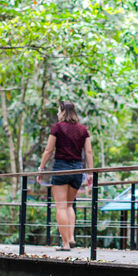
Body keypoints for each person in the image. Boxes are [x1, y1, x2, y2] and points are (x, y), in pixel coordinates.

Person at [37, 101, 94, 251]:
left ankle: (65, 244)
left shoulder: (57, 128)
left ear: (63, 112)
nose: (57, 114)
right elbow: (88, 152)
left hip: (61, 169)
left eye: (58, 111)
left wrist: (41, 169)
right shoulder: (83, 130)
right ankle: (71, 238)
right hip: (77, 170)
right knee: (69, 205)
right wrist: (90, 173)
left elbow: (48, 150)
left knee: (61, 206)